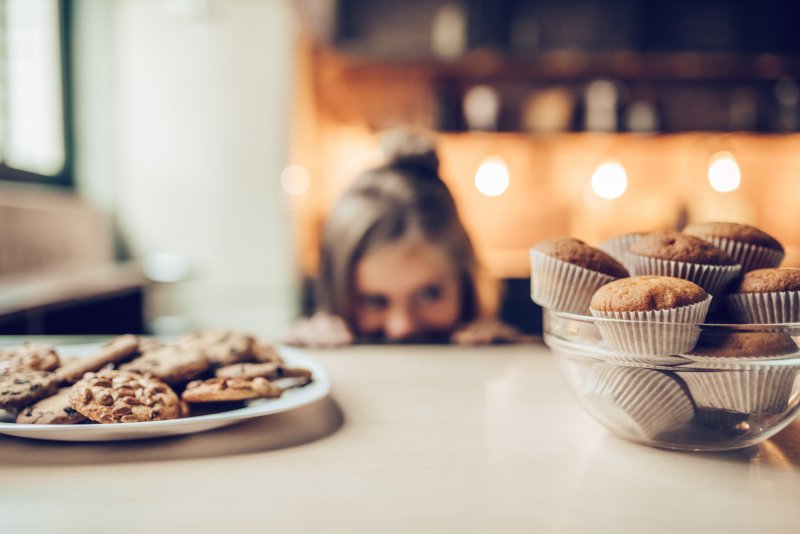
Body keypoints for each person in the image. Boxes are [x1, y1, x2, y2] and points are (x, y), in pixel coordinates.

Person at [284, 129, 524, 347]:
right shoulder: (310, 357)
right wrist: (305, 358)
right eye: (374, 301)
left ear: (466, 284)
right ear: (337, 290)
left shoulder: (499, 355)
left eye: (428, 294)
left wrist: (500, 361)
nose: (402, 328)